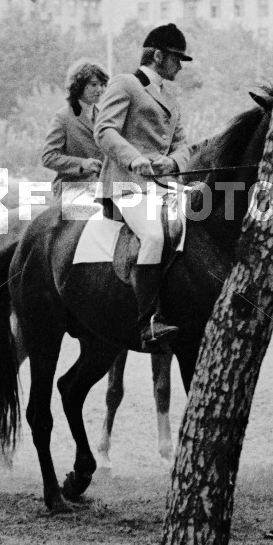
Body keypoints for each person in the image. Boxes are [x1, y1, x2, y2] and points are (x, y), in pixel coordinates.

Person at [94, 23, 191, 350]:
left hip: (165, 186)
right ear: (159, 56)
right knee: (153, 234)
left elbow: (183, 145)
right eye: (177, 59)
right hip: (128, 183)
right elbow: (105, 130)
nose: (180, 66)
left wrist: (174, 163)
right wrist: (135, 159)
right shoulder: (125, 83)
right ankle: (148, 321)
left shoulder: (171, 99)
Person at [41, 59, 108, 200]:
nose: (100, 90)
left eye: (102, 85)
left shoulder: (105, 117)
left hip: (102, 188)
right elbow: (49, 157)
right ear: (79, 86)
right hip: (72, 189)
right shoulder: (63, 117)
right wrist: (82, 164)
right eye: (94, 85)